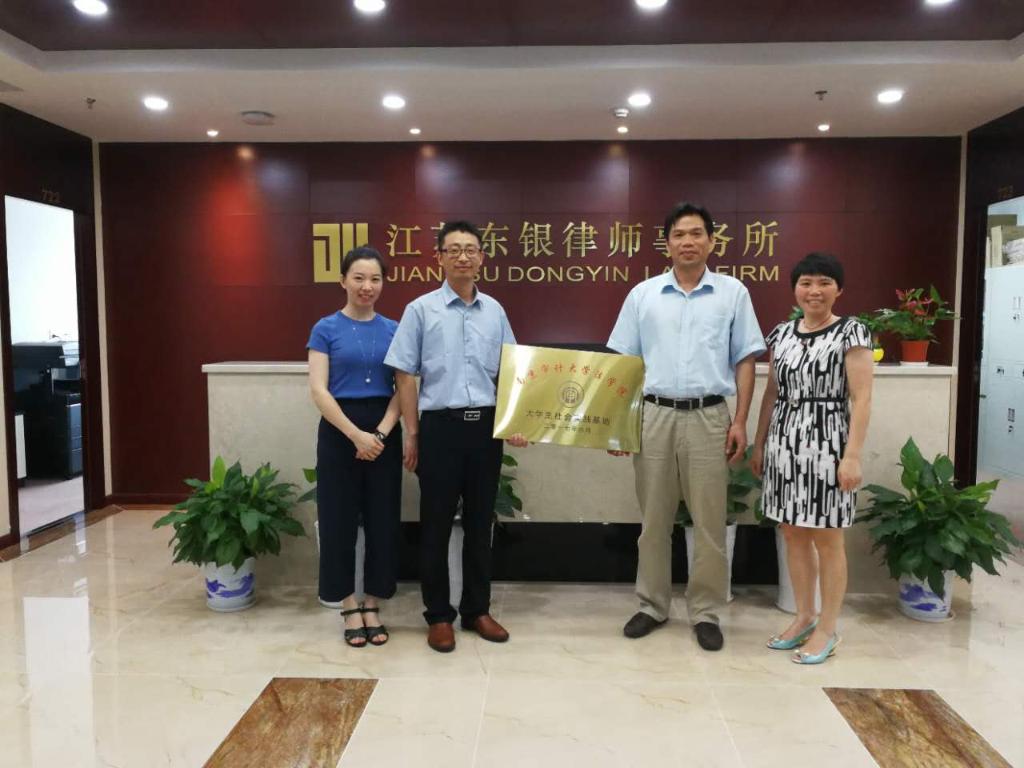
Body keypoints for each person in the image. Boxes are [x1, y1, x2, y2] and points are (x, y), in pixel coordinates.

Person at [607, 202, 765, 651]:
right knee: (654, 520)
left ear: (712, 241)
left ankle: (706, 612)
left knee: (710, 522)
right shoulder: (643, 295)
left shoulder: (733, 293)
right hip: (653, 415)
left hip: (710, 417)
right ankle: (652, 605)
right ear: (667, 243)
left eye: (697, 234)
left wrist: (740, 420)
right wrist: (619, 424)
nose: (688, 242)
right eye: (679, 234)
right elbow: (625, 364)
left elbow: (745, 360)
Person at [385, 220, 528, 653]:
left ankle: (476, 610)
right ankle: (438, 615)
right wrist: (412, 433)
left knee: (481, 524)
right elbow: (405, 375)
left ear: (482, 257)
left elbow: (512, 371)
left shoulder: (495, 311)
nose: (463, 256)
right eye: (454, 249)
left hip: (485, 428)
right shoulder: (420, 310)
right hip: (440, 429)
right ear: (439, 258)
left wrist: (515, 421)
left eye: (470, 249)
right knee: (436, 526)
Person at [751, 252, 873, 664]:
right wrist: (759, 443)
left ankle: (828, 628)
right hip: (785, 443)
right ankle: (804, 616)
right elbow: (771, 392)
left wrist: (852, 456)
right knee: (792, 532)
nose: (814, 290)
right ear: (795, 289)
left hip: (829, 443)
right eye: (805, 282)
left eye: (824, 282)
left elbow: (862, 398)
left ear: (839, 289)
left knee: (828, 537)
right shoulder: (782, 333)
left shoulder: (852, 332)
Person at [307, 246, 403, 648]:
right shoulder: (324, 328)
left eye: (375, 279)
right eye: (359, 278)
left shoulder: (395, 329)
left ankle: (373, 602)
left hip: (384, 429)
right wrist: (355, 435)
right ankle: (348, 603)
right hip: (339, 430)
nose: (367, 286)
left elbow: (404, 388)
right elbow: (319, 390)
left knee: (383, 519)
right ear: (343, 281)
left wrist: (379, 434)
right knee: (338, 520)